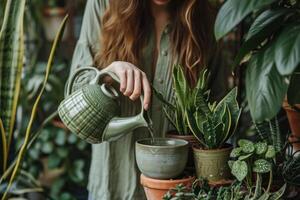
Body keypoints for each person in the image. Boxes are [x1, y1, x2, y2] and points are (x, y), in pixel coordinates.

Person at [68, 0, 224, 199]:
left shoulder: (207, 17)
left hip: (179, 190)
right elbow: (74, 97)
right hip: (112, 186)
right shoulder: (103, 3)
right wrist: (108, 72)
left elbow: (218, 112)